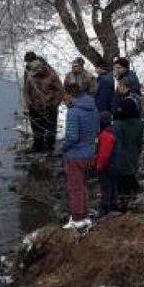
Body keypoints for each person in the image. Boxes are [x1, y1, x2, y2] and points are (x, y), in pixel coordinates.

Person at [61, 83, 99, 229]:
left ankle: (77, 219)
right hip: (90, 154)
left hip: (75, 156)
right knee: (83, 186)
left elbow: (72, 137)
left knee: (75, 188)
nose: (63, 99)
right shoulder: (93, 108)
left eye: (64, 96)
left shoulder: (73, 112)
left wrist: (63, 148)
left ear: (70, 95)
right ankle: (85, 215)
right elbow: (97, 130)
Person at [111, 76, 144, 208]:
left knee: (125, 166)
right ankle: (130, 192)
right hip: (132, 136)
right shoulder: (134, 99)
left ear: (125, 87)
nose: (117, 89)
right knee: (129, 164)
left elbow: (122, 117)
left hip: (127, 137)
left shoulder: (128, 103)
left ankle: (129, 193)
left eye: (119, 86)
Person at [23, 57, 64, 152]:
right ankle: (37, 146)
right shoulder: (31, 77)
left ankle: (50, 148)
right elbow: (26, 91)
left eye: (36, 72)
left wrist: (55, 104)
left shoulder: (52, 76)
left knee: (50, 128)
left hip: (50, 107)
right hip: (35, 107)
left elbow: (60, 91)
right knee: (36, 128)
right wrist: (28, 104)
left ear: (41, 68)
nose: (35, 74)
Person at [95, 111, 118, 218]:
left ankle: (105, 208)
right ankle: (113, 205)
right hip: (114, 165)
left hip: (107, 166)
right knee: (113, 186)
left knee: (106, 187)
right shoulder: (113, 131)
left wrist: (98, 166)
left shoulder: (105, 135)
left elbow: (104, 155)